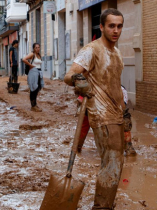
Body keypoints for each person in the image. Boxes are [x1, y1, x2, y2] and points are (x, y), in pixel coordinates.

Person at [64, 8, 125, 209]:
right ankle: (101, 207)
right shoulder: (92, 50)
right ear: (101, 27)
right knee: (112, 163)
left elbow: (116, 85)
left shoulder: (117, 53)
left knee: (115, 163)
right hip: (101, 114)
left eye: (119, 26)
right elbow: (68, 75)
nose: (116, 30)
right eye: (111, 26)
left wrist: (126, 112)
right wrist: (78, 80)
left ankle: (104, 203)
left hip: (117, 115)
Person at [76, 85, 137, 156]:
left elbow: (123, 107)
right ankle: (78, 147)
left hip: (114, 106)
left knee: (124, 120)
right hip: (93, 105)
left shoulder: (120, 90)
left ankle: (128, 146)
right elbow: (80, 100)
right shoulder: (92, 87)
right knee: (86, 123)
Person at [22, 43, 44, 112]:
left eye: (38, 47)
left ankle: (35, 104)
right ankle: (33, 105)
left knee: (37, 88)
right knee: (33, 89)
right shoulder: (32, 54)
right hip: (33, 72)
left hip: (39, 73)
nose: (38, 49)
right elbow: (24, 59)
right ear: (34, 48)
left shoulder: (39, 55)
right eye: (36, 47)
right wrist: (30, 65)